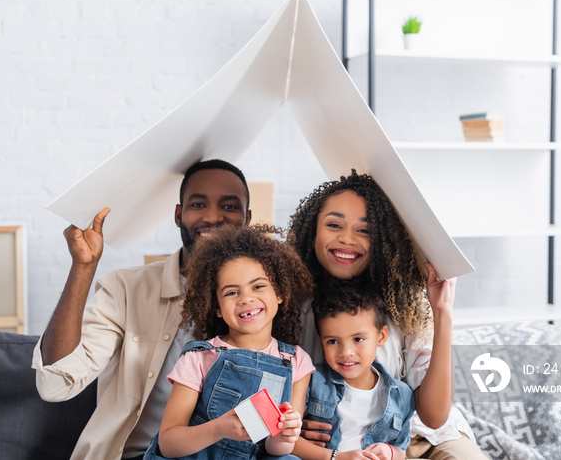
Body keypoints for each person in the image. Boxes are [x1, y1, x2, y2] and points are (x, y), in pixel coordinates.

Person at [32, 159, 252, 460]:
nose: (212, 217)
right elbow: (55, 385)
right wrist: (84, 267)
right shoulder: (126, 289)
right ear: (178, 215)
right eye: (198, 204)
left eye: (229, 207)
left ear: (247, 218)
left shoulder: (266, 298)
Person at [288, 169, 487, 459]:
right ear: (313, 231)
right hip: (333, 446)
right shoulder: (289, 305)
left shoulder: (402, 305)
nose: (347, 239)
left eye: (364, 230)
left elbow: (433, 417)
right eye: (334, 225)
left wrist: (443, 313)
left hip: (417, 436)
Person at [144, 225, 315, 459]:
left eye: (258, 286)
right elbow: (168, 443)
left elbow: (275, 450)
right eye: (232, 292)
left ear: (279, 293)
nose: (246, 298)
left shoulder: (296, 361)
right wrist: (218, 429)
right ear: (216, 307)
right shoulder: (200, 357)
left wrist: (285, 436)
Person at [294, 279, 415, 460]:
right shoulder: (312, 381)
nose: (346, 352)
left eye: (358, 339)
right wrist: (335, 457)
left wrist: (390, 452)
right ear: (322, 342)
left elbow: (401, 448)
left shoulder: (401, 394)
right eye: (333, 341)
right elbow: (288, 439)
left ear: (381, 336)